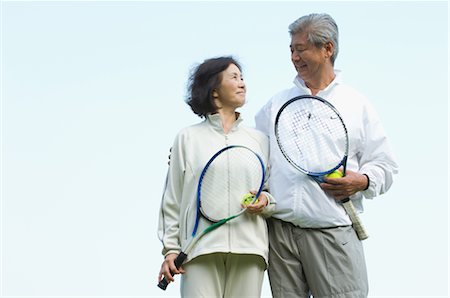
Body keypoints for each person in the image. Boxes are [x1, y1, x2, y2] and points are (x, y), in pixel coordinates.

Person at [255, 13, 399, 298]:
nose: (294, 57)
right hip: (280, 235)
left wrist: (363, 180)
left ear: (327, 48)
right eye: (291, 50)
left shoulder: (356, 104)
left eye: (300, 49)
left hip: (332, 232)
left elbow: (386, 166)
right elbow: (252, 156)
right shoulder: (275, 104)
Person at [158, 56, 275, 297]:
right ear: (214, 90)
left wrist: (265, 201)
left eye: (243, 78)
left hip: (250, 249)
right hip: (199, 249)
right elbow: (173, 199)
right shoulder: (187, 138)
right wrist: (171, 250)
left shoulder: (260, 140)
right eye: (234, 77)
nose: (242, 83)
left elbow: (272, 192)